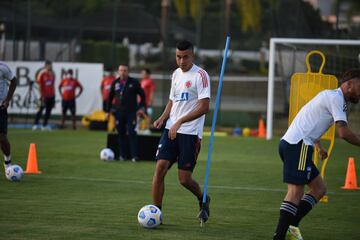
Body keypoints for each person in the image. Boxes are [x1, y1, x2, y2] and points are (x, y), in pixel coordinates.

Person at [273, 69, 360, 240]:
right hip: (298, 145)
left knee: (319, 189)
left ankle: (292, 225)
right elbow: (343, 133)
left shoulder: (333, 97)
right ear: (349, 84)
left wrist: (318, 146)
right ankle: (279, 236)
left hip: (297, 144)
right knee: (295, 192)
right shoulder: (336, 98)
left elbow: (312, 120)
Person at [151, 40, 211, 223]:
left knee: (184, 179)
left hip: (190, 133)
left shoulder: (200, 75)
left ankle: (203, 198)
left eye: (185, 57)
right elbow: (172, 100)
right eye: (178, 56)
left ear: (192, 55)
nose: (181, 60)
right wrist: (163, 117)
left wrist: (180, 121)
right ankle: (156, 214)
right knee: (160, 169)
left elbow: (204, 107)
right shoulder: (175, 74)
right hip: (170, 129)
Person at [106, 64, 146, 162]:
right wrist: (108, 111)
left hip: (131, 112)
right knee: (121, 133)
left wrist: (141, 108)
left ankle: (134, 156)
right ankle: (122, 156)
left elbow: (143, 96)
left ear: (128, 71)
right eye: (121, 70)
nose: (122, 72)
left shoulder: (134, 82)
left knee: (132, 132)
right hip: (119, 112)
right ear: (118, 71)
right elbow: (110, 98)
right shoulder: (115, 83)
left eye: (124, 70)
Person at [0, 62, 17, 172]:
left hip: (0, 107)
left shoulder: (3, 67)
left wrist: (7, 100)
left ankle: (7, 162)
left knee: (2, 137)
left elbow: (14, 81)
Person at [33, 60, 55, 130]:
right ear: (46, 66)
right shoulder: (42, 74)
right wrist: (41, 95)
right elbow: (40, 86)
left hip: (51, 95)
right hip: (44, 96)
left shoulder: (52, 74)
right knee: (40, 110)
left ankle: (44, 125)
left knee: (48, 111)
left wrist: (54, 95)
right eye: (49, 65)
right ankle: (35, 124)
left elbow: (52, 85)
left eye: (51, 65)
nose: (50, 66)